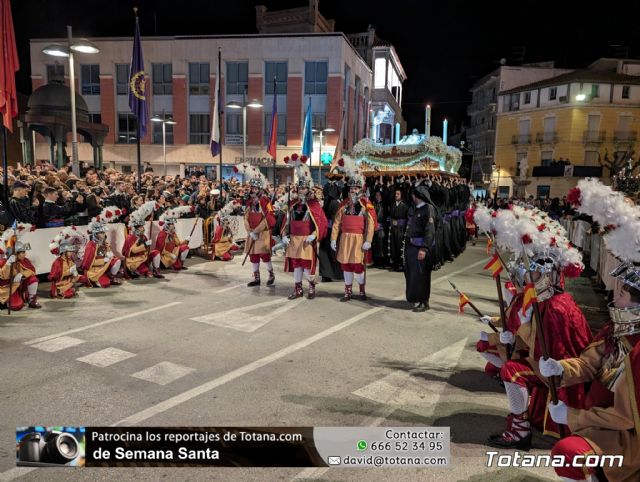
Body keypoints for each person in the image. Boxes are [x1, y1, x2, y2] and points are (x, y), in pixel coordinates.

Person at [485, 209, 592, 450]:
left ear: (549, 275)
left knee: (511, 371)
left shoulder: (556, 306)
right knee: (507, 361)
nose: (529, 279)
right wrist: (510, 336)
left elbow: (549, 356)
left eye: (534, 273)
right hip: (555, 368)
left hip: (565, 376)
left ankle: (520, 431)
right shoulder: (545, 300)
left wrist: (519, 333)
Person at [281, 156, 328, 300]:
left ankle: (312, 286)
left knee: (308, 266)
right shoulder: (292, 204)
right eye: (300, 187)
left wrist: (314, 235)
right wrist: (284, 235)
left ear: (308, 189)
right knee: (296, 265)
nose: (301, 190)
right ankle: (298, 289)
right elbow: (286, 222)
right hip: (294, 239)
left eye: (304, 188)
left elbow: (322, 222)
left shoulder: (314, 205)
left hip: (307, 240)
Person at [330, 159, 376, 302]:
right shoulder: (344, 205)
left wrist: (368, 240)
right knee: (346, 265)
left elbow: (371, 223)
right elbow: (337, 222)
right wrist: (333, 238)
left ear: (360, 189)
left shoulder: (366, 205)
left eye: (355, 188)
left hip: (358, 240)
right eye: (351, 189)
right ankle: (348, 291)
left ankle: (361, 290)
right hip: (345, 238)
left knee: (357, 265)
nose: (353, 191)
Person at [239, 165, 276, 287]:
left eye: (255, 188)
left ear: (260, 189)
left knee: (264, 255)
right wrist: (249, 231)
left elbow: (269, 217)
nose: (253, 190)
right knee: (253, 255)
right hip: (252, 232)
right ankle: (256, 277)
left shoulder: (265, 201)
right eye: (252, 188)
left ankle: (271, 274)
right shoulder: (249, 201)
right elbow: (246, 216)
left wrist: (257, 230)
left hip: (262, 232)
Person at [403, 185, 437, 312]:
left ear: (417, 196)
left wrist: (424, 248)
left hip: (421, 248)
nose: (412, 196)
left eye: (413, 195)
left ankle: (424, 302)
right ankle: (415, 297)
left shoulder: (428, 209)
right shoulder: (416, 208)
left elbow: (430, 230)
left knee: (422, 276)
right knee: (413, 275)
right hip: (412, 246)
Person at [122, 201, 164, 278]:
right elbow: (133, 250)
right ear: (136, 228)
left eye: (142, 226)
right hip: (134, 259)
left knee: (156, 252)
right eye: (140, 227)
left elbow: (146, 250)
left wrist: (147, 248)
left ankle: (156, 270)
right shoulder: (130, 237)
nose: (143, 228)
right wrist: (145, 245)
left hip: (143, 257)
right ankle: (137, 269)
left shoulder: (143, 236)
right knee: (143, 271)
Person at [79, 220, 122, 288]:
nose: (104, 234)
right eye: (101, 233)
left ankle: (111, 277)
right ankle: (93, 279)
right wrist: (103, 260)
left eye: (104, 232)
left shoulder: (105, 243)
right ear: (95, 234)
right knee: (105, 284)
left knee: (117, 260)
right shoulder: (91, 245)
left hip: (104, 267)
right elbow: (88, 263)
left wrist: (110, 254)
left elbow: (110, 257)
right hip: (94, 270)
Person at [48, 229, 83, 298]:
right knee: (69, 294)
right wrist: (69, 271)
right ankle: (62, 291)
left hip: (68, 281)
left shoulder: (70, 260)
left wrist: (74, 273)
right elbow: (54, 276)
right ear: (64, 252)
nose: (71, 253)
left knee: (82, 278)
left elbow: (73, 274)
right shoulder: (57, 262)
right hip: (60, 284)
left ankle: (70, 288)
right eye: (69, 251)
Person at [155, 207, 192, 271]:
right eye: (171, 224)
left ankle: (181, 264)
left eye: (173, 224)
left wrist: (186, 240)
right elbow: (160, 250)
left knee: (185, 247)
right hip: (165, 256)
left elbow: (178, 243)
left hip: (173, 252)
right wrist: (170, 254)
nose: (173, 225)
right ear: (166, 225)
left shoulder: (173, 233)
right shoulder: (162, 234)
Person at [387, 188, 409, 272]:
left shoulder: (405, 206)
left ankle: (401, 264)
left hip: (401, 229)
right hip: (393, 228)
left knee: (400, 246)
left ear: (401, 195)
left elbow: (406, 218)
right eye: (395, 194)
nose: (396, 195)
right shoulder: (392, 205)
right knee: (393, 246)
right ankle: (394, 264)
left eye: (398, 194)